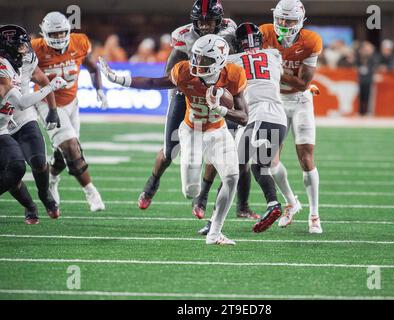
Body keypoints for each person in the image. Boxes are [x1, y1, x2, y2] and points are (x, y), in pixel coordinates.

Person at [99, 34, 248, 245]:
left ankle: (215, 233)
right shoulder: (185, 71)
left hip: (218, 131)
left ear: (220, 61)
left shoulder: (234, 74)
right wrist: (119, 79)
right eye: (196, 57)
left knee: (232, 177)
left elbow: (243, 117)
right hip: (191, 130)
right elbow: (153, 82)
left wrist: (220, 108)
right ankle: (194, 195)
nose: (197, 63)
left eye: (204, 60)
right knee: (191, 191)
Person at [135, 0, 247, 218]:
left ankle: (202, 196)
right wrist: (191, 82)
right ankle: (152, 184)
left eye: (209, 20)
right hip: (187, 93)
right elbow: (170, 72)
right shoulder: (184, 35)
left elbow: (237, 60)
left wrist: (225, 91)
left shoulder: (231, 31)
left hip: (217, 93)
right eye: (201, 21)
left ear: (220, 20)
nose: (204, 25)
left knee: (218, 147)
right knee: (171, 150)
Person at [198, 23, 291, 235]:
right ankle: (273, 205)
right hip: (279, 116)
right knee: (260, 166)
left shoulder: (232, 61)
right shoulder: (274, 54)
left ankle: (213, 222)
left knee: (232, 170)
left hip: (256, 116)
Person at [32, 11, 108, 212]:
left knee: (63, 152)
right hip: (46, 103)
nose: (58, 37)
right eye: (54, 34)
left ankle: (52, 179)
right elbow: (22, 78)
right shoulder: (35, 49)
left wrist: (99, 90)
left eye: (61, 33)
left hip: (72, 102)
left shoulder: (80, 42)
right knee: (72, 147)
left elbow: (92, 67)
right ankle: (91, 192)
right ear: (44, 33)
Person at [260, 0, 323, 233]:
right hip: (275, 100)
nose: (284, 24)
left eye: (290, 20)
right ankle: (290, 202)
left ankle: (314, 215)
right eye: (281, 19)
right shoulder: (264, 33)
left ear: (301, 21)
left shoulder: (311, 41)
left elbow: (303, 83)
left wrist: (276, 68)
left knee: (306, 159)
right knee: (270, 160)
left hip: (300, 101)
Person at [0, 24, 66, 224]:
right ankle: (29, 206)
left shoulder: (19, 61)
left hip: (13, 117)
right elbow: (17, 98)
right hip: (7, 119)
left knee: (34, 161)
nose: (25, 49)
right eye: (20, 45)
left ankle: (44, 195)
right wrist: (52, 87)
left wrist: (53, 111)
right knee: (14, 170)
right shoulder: (3, 67)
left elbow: (39, 81)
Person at [356, 41, 377, 116]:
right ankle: (360, 111)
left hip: (368, 80)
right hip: (361, 80)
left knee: (368, 97)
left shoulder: (371, 58)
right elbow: (356, 65)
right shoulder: (359, 57)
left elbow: (373, 66)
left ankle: (368, 112)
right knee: (361, 97)